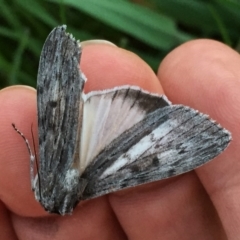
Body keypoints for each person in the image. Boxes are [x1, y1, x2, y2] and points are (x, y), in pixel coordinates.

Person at [0, 38, 237, 239]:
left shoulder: (62, 182)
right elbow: (35, 168)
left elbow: (36, 166)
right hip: (101, 155)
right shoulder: (64, 182)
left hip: (94, 159)